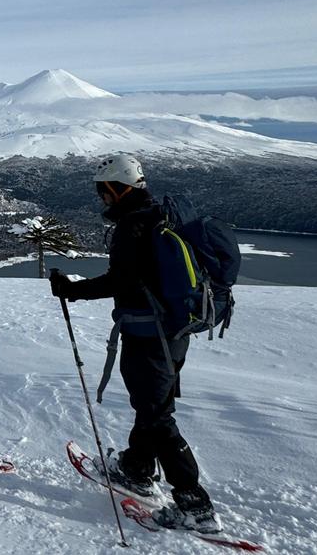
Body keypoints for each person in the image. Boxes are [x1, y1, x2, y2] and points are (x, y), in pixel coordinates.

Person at [49, 154, 220, 534]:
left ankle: (195, 504)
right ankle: (137, 468)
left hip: (148, 336)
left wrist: (70, 290)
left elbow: (120, 281)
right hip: (173, 333)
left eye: (104, 192)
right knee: (152, 404)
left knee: (158, 416)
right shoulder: (160, 216)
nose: (102, 199)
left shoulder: (135, 227)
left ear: (119, 188)